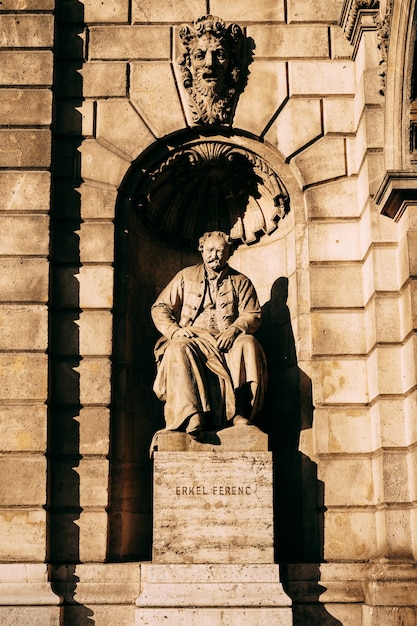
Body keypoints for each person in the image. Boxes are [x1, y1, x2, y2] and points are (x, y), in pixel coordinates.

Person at [151, 231, 267, 440]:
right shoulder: (185, 276)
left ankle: (239, 412)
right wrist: (175, 330)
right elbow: (160, 307)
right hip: (193, 338)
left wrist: (234, 330)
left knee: (248, 343)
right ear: (201, 249)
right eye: (211, 250)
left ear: (229, 253)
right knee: (178, 346)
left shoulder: (241, 281)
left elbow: (253, 314)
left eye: (220, 251)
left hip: (227, 340)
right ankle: (191, 414)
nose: (215, 255)